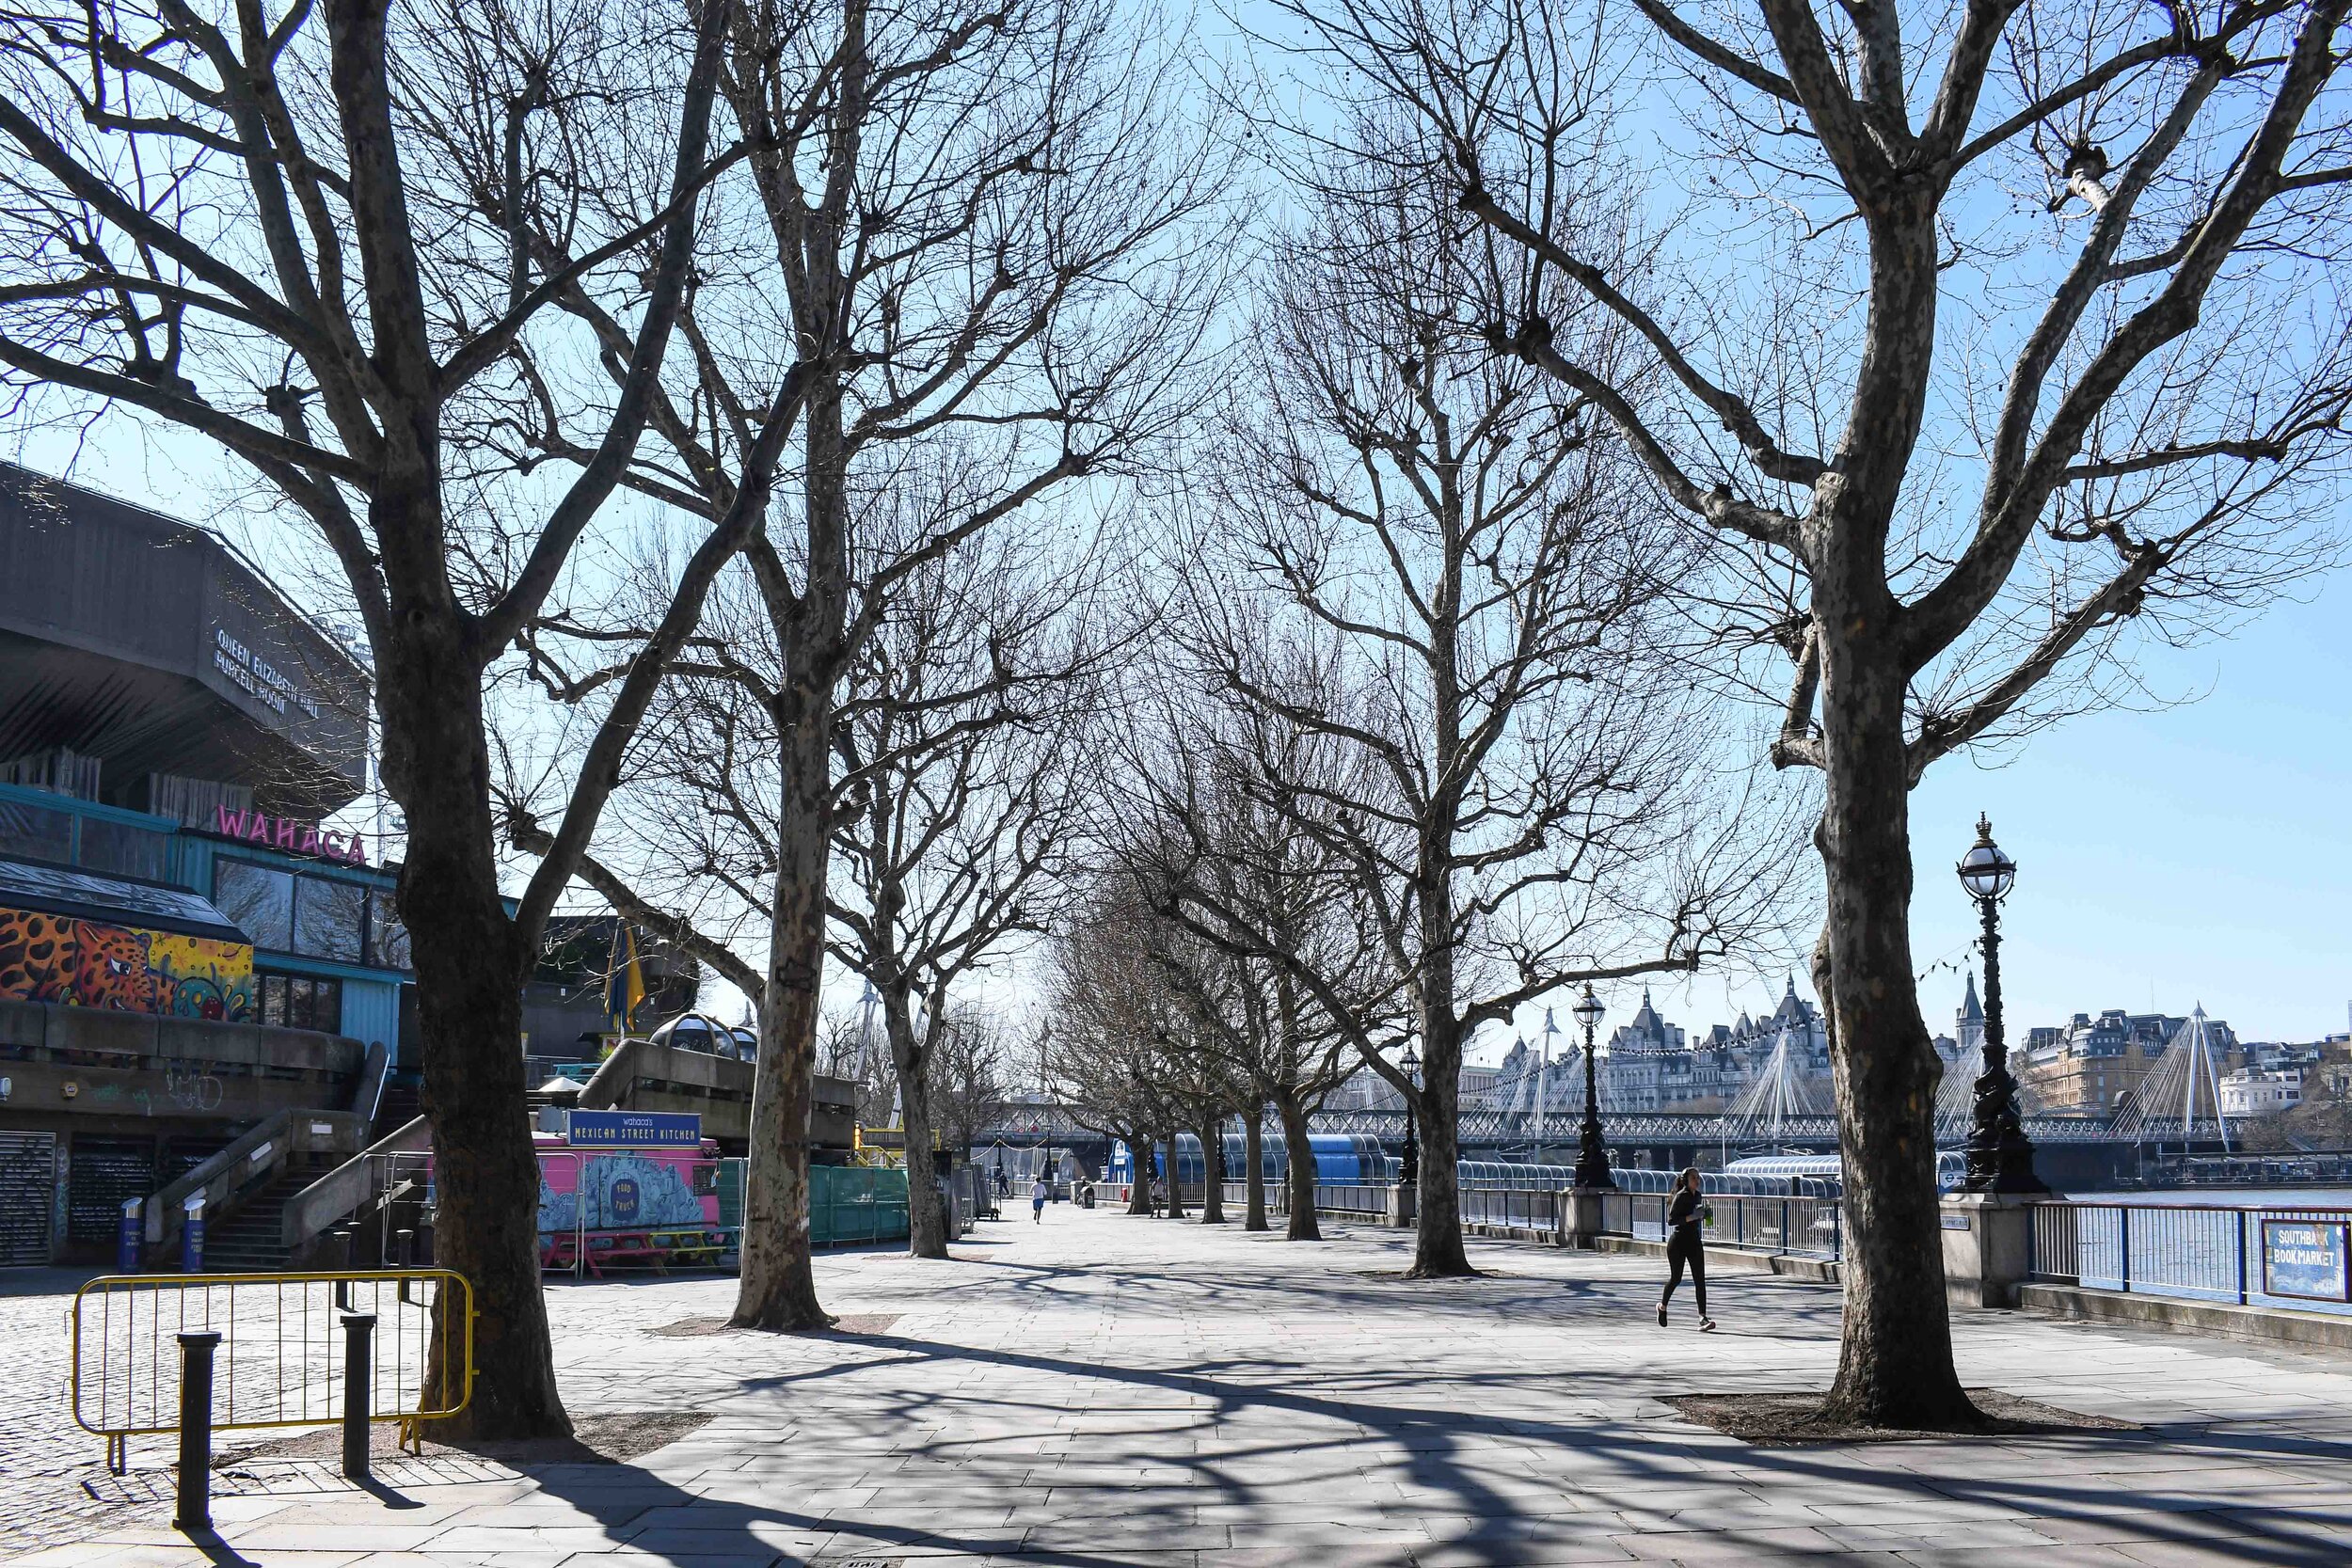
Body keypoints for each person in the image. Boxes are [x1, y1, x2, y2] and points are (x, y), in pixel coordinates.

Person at [1658, 1167, 1716, 1332]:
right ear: (1685, 1180)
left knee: (1700, 1280)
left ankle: (1702, 1317)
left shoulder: (1697, 1195)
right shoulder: (1681, 1196)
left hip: (1694, 1240)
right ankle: (1662, 1307)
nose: (1697, 1181)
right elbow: (1671, 1220)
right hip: (1678, 1242)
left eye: (1698, 1178)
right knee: (1676, 1278)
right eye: (1693, 1178)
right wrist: (1693, 1217)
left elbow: (1696, 1214)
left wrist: (1704, 1215)